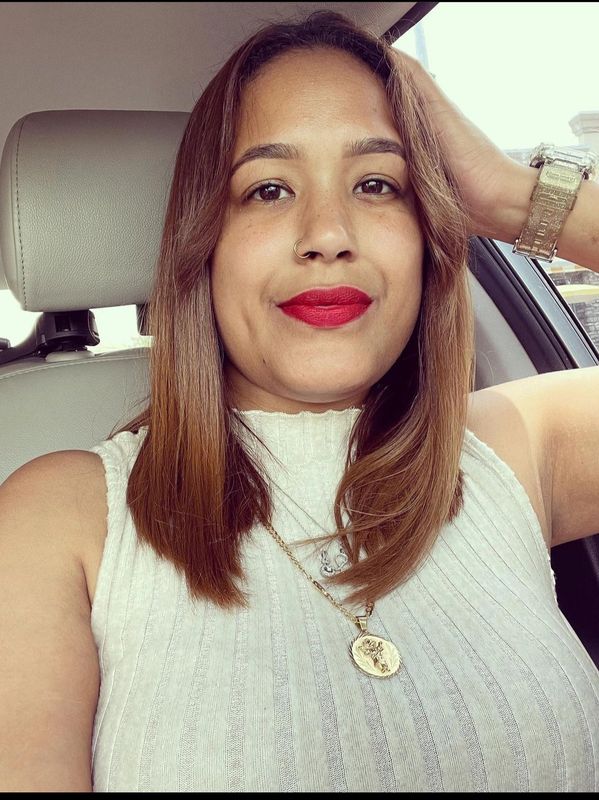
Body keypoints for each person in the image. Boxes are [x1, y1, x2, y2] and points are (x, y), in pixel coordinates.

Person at [1, 9, 599, 793]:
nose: (326, 232)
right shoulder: (57, 517)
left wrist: (516, 201)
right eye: (269, 188)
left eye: (377, 184)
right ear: (203, 244)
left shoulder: (515, 445)